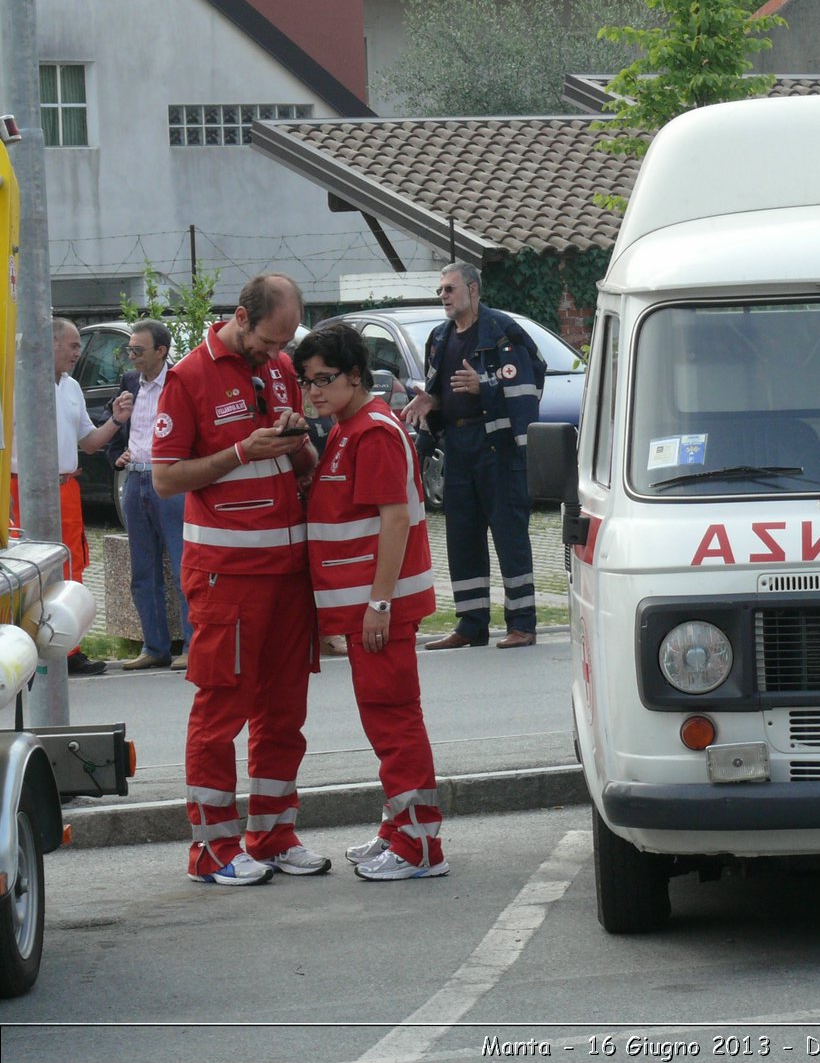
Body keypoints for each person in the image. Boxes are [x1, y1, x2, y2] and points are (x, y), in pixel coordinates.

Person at [152, 274, 332, 886]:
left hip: (286, 575)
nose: (273, 354)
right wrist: (239, 453)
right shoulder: (188, 378)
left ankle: (274, 835)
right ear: (240, 317)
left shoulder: (280, 367)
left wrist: (296, 438)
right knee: (220, 712)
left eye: (282, 344)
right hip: (226, 577)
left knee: (283, 712)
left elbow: (301, 463)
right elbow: (167, 480)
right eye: (266, 341)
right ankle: (212, 849)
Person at [295, 324, 449, 880]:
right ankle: (399, 829)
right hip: (367, 607)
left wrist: (379, 604)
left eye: (324, 379)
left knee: (394, 719)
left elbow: (395, 518)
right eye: (306, 381)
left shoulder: (374, 432)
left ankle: (421, 846)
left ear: (355, 376)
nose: (313, 391)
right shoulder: (348, 426)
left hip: (380, 609)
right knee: (385, 718)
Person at [400, 262, 544, 650]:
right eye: (440, 291)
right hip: (458, 449)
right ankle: (470, 623)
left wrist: (485, 387)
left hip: (498, 448)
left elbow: (525, 387)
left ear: (473, 290)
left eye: (450, 289)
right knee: (461, 535)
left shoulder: (502, 332)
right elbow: (438, 391)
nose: (443, 296)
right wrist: (429, 402)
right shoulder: (439, 338)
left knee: (509, 535)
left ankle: (523, 623)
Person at [8, 320, 133, 675]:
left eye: (79, 346)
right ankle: (21, 648)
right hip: (22, 488)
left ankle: (68, 648)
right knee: (24, 572)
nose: (78, 353)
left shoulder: (73, 387)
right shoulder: (17, 384)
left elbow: (90, 443)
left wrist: (116, 420)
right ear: (49, 344)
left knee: (70, 565)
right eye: (73, 345)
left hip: (65, 488)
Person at [106, 319, 191, 671]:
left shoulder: (180, 382)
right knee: (143, 570)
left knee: (184, 565)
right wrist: (118, 456)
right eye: (130, 350)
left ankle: (192, 645)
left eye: (139, 351)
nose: (132, 358)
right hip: (136, 479)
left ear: (161, 351)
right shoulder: (129, 383)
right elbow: (117, 431)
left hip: (169, 482)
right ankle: (154, 646)